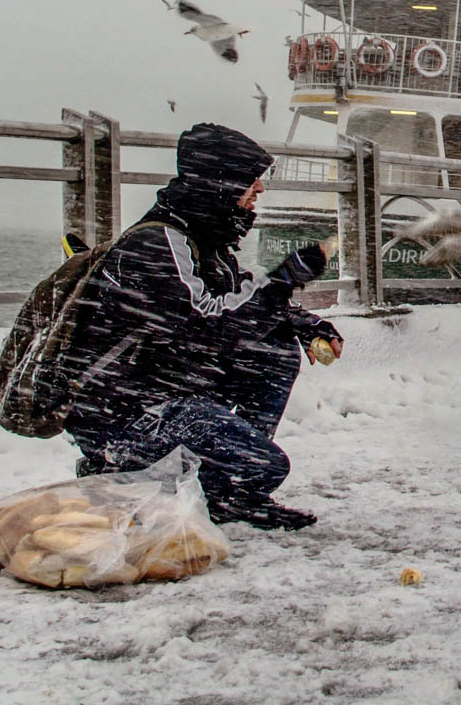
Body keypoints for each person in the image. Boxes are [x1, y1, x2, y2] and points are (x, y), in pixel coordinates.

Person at [63, 122, 342, 530]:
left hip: (163, 391)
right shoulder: (158, 244)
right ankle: (119, 470)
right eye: (251, 182)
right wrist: (285, 280)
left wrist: (304, 323)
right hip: (122, 416)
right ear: (221, 184)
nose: (259, 191)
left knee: (275, 348)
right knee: (264, 466)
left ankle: (230, 493)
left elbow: (239, 298)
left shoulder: (202, 240)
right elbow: (209, 328)